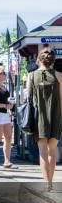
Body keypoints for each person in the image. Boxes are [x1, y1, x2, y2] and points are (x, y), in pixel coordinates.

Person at [28, 48, 62, 191]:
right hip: (56, 116)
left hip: (39, 118)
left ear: (39, 59)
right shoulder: (59, 75)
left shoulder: (31, 76)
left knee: (42, 151)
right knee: (52, 151)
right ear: (53, 60)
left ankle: (46, 183)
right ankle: (51, 182)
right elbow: (61, 99)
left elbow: (28, 99)